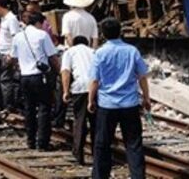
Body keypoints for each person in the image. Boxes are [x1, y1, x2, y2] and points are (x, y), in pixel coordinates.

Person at [88, 17, 150, 179]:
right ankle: (138, 176)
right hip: (129, 104)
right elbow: (142, 76)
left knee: (102, 143)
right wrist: (146, 98)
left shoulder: (100, 53)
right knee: (134, 144)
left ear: (103, 33)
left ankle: (100, 176)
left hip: (107, 104)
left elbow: (94, 80)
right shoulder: (132, 51)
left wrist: (90, 100)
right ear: (120, 32)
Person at [10, 12, 60, 150]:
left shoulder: (18, 37)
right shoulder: (42, 35)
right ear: (39, 22)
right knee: (44, 108)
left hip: (25, 77)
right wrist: (60, 71)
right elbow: (52, 57)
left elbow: (13, 58)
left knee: (29, 109)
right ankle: (43, 143)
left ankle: (30, 140)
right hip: (40, 76)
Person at [61, 35, 95, 165]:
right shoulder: (93, 51)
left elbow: (65, 72)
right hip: (94, 87)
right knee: (95, 123)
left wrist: (65, 91)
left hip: (79, 88)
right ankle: (97, 155)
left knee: (79, 121)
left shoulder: (69, 52)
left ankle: (78, 155)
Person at [0, 0, 22, 111]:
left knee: (6, 80)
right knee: (4, 80)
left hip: (7, 53)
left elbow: (15, 37)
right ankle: (6, 104)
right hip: (2, 52)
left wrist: (11, 54)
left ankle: (9, 105)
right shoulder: (4, 19)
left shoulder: (11, 19)